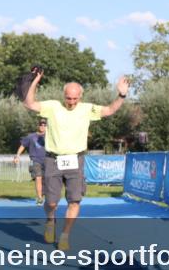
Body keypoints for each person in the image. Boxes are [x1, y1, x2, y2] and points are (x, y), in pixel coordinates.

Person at [23, 71, 130, 251]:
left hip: (76, 160)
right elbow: (29, 103)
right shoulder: (53, 107)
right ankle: (50, 221)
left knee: (74, 201)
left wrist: (122, 95)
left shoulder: (87, 109)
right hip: (53, 160)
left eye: (74, 98)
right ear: (63, 96)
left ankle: (65, 235)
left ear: (80, 96)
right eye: (68, 98)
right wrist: (35, 82)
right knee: (51, 203)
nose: (71, 102)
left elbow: (110, 110)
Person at [15, 119, 48, 206]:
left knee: (47, 180)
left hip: (48, 160)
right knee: (38, 178)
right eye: (41, 124)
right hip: (35, 160)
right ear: (38, 125)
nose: (42, 126)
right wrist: (17, 156)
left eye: (44, 125)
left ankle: (44, 194)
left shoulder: (50, 136)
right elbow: (23, 146)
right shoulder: (31, 137)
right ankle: (40, 198)